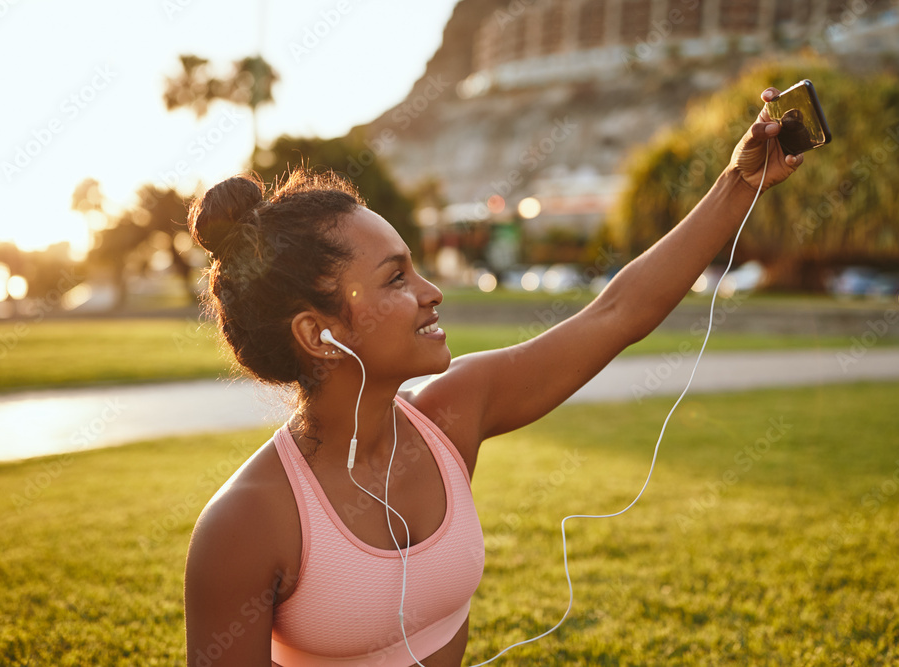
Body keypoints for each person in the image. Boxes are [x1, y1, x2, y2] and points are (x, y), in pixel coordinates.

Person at [183, 87, 804, 666]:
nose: (431, 294)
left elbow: (616, 314)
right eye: (396, 278)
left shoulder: (453, 414)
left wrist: (739, 185)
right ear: (318, 335)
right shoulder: (246, 523)